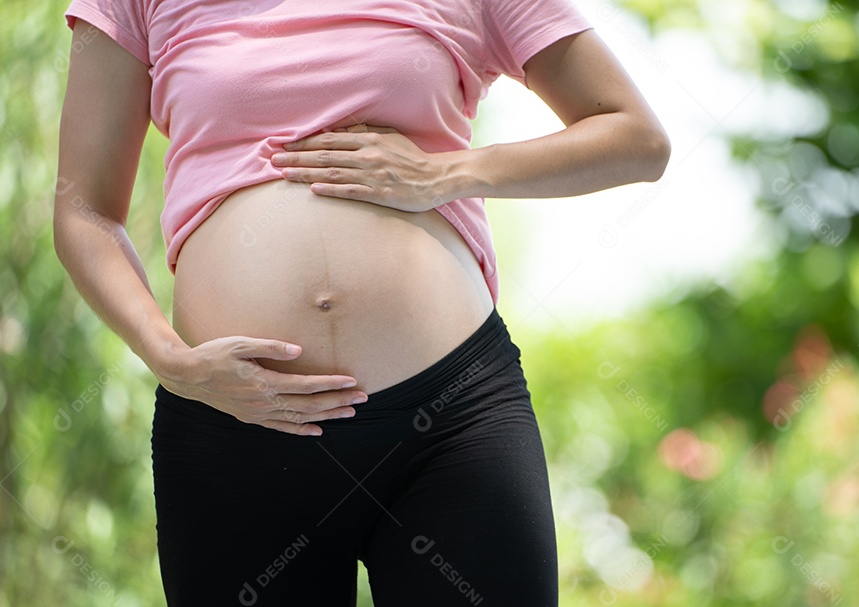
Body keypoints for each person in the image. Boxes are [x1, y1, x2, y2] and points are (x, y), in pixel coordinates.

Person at [53, 0, 669, 604]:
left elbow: (636, 137)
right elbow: (84, 212)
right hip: (236, 424)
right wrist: (168, 359)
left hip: (450, 420)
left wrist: (449, 172)